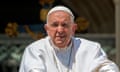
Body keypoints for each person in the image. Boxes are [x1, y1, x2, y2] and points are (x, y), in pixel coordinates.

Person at [19, 5, 119, 72]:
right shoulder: (35, 50)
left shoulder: (91, 49)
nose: (60, 30)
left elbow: (108, 68)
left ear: (73, 28)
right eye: (55, 25)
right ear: (47, 29)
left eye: (65, 25)